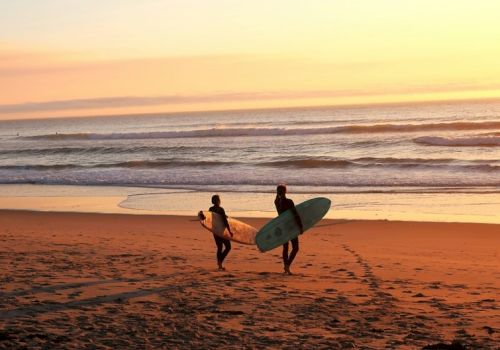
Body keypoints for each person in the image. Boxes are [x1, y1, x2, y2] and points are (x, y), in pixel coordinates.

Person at [275, 184, 303, 275]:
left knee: (285, 248)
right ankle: (287, 266)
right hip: (290, 226)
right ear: (285, 191)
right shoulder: (289, 201)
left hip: (282, 226)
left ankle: (286, 267)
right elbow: (295, 214)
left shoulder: (276, 201)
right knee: (295, 248)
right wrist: (300, 226)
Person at [209, 194, 233, 271]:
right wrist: (229, 231)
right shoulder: (221, 209)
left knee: (219, 247)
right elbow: (224, 221)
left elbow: (210, 219)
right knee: (228, 247)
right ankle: (220, 262)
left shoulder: (211, 209)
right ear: (218, 201)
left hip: (215, 231)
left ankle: (220, 264)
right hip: (221, 231)